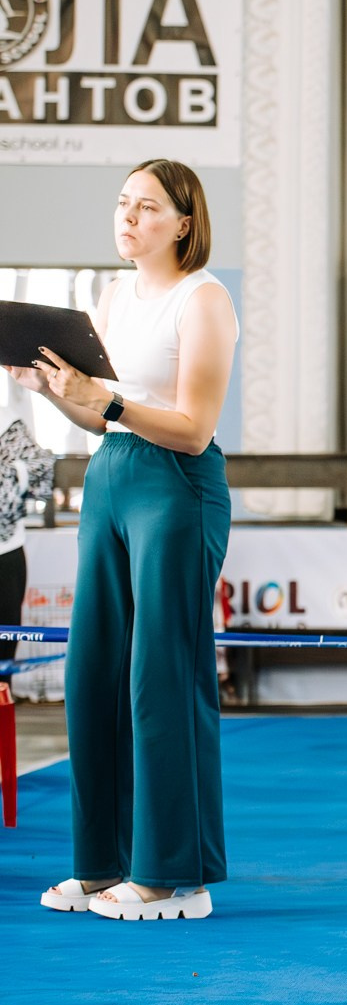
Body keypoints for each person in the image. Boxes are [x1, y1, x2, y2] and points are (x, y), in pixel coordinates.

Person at [21, 160, 237, 920]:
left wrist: (107, 400)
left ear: (182, 222)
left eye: (147, 207)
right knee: (92, 673)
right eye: (122, 204)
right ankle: (102, 862)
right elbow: (101, 415)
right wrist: (64, 394)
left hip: (176, 485)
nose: (129, 216)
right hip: (109, 476)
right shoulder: (113, 295)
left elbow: (194, 426)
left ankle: (175, 876)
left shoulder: (204, 298)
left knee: (159, 676)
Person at [0, 377, 55, 667]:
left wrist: (12, 476)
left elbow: (42, 469)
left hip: (6, 551)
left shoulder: (7, 420)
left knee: (4, 651)